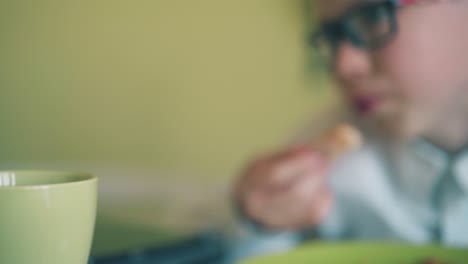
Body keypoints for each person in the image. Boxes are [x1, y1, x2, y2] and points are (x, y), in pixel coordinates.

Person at [228, 0, 468, 261]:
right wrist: (263, 220)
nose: (343, 67)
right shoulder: (328, 156)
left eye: (373, 17)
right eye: (332, 38)